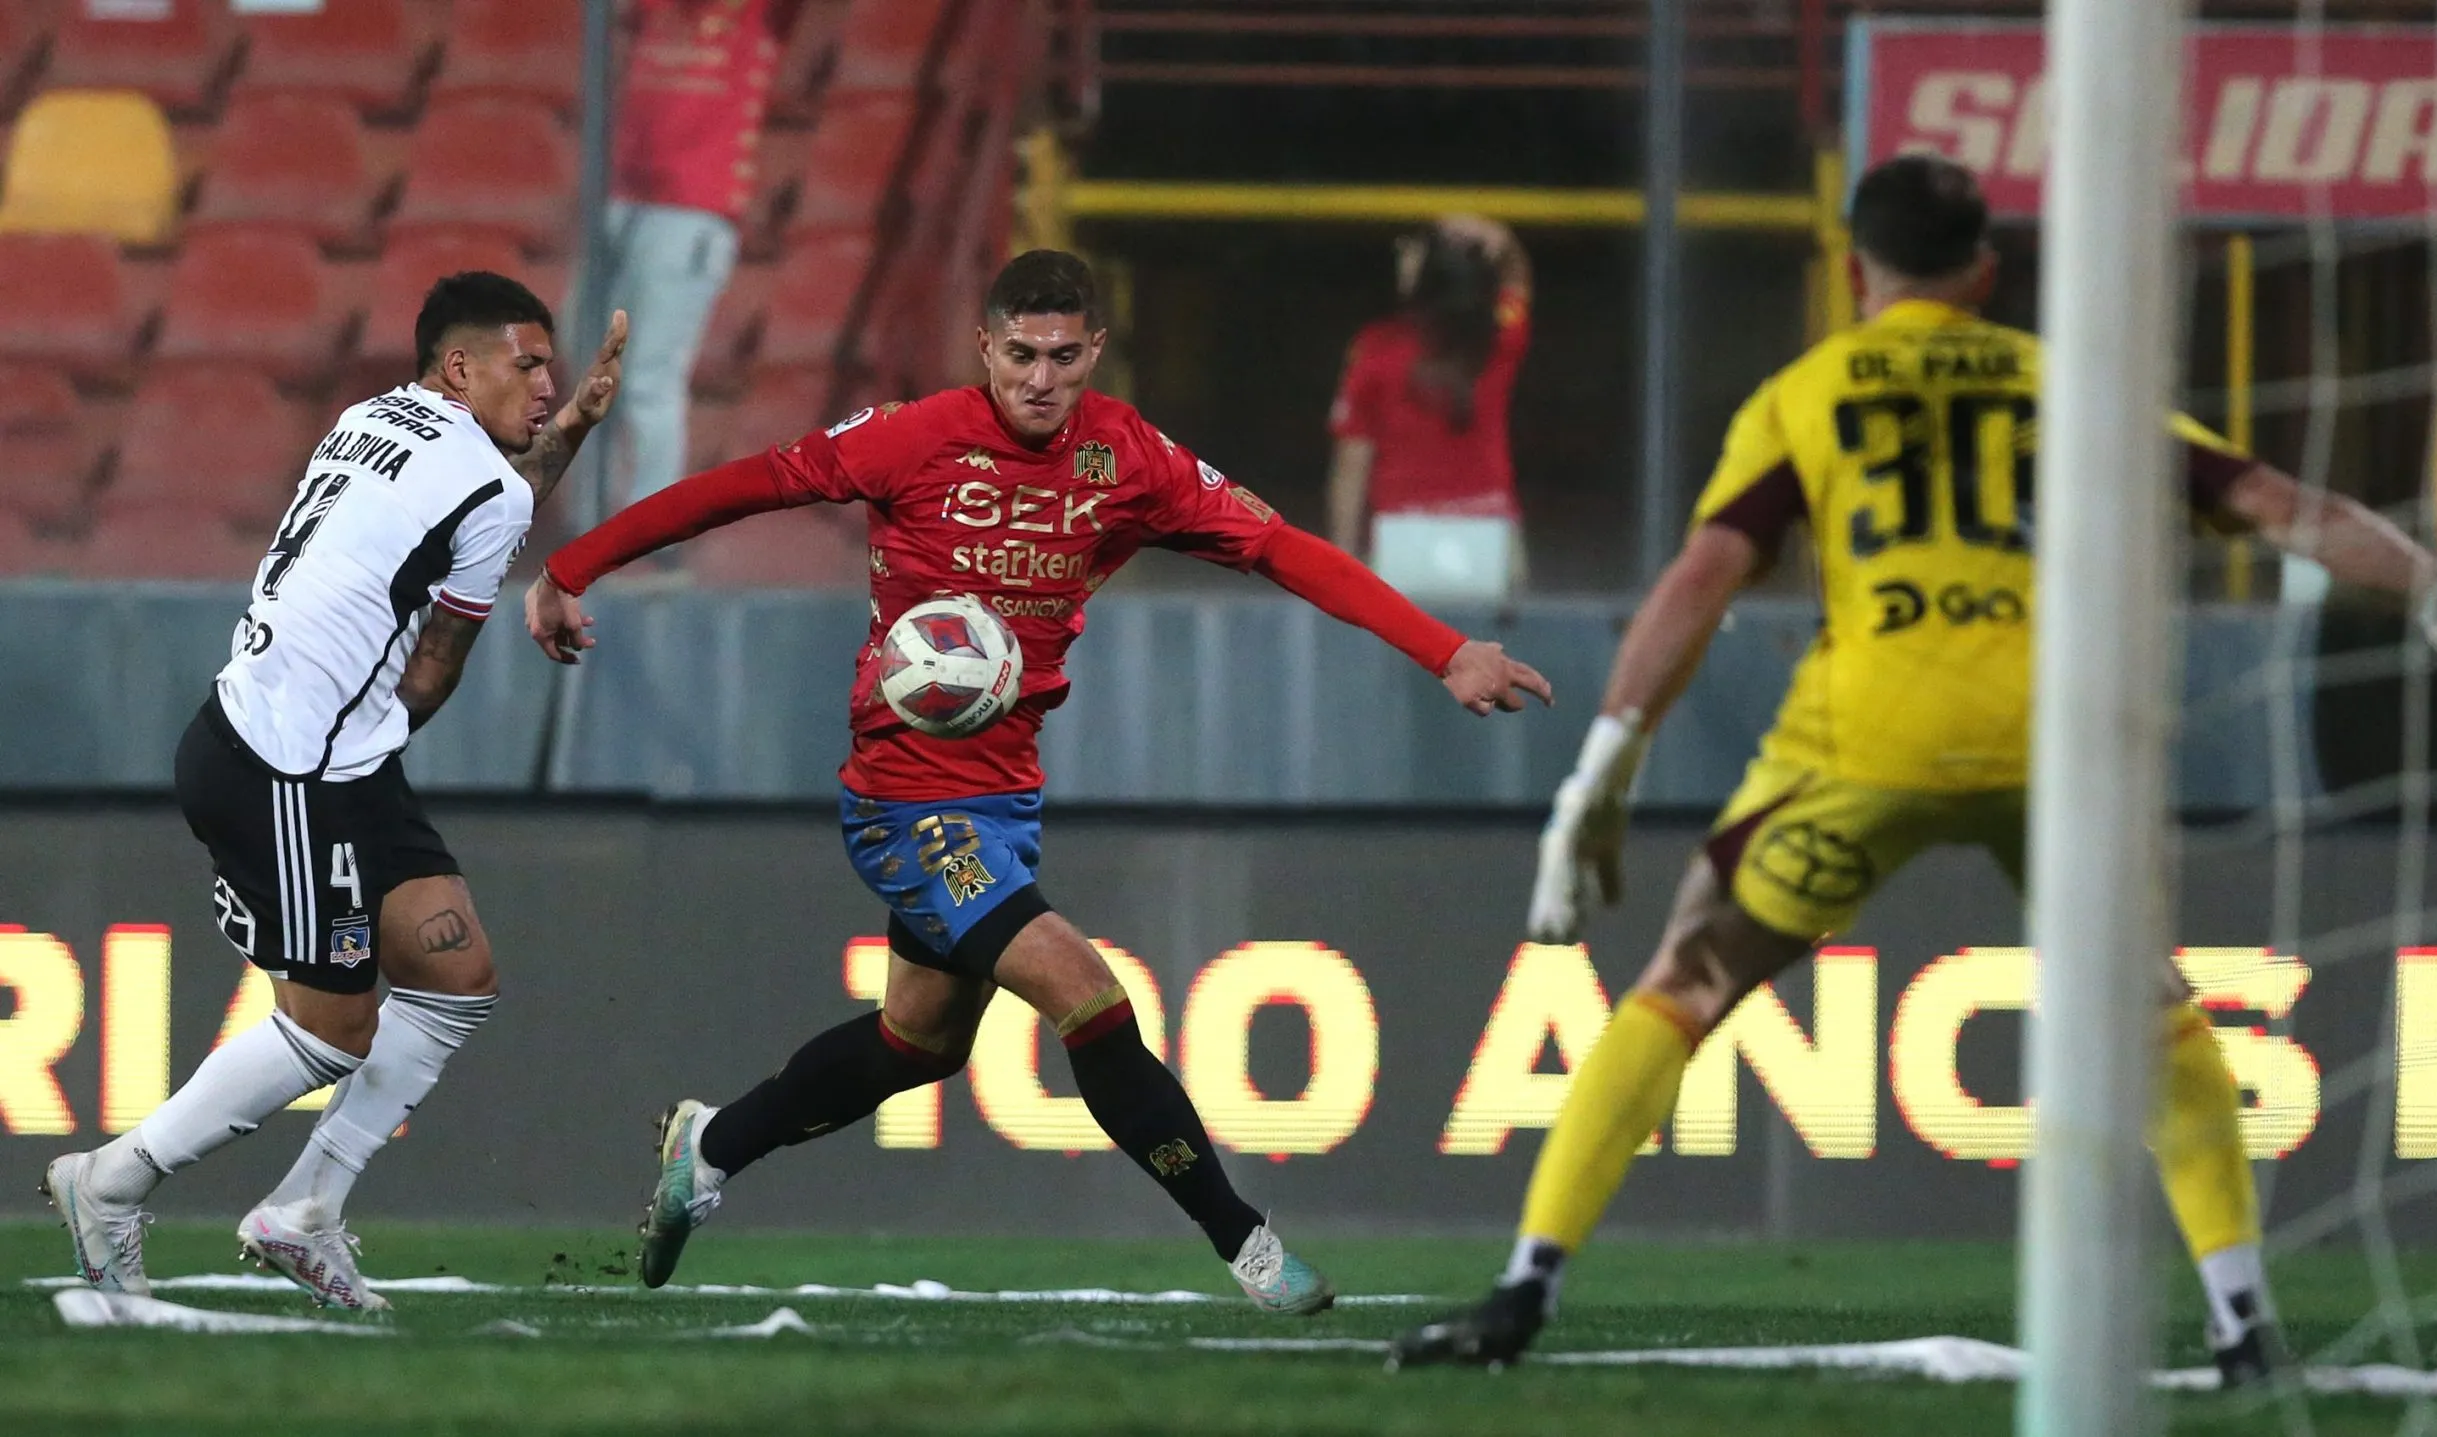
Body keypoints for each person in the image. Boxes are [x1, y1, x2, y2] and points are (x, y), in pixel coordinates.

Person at [1389, 154, 2437, 1379]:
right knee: (2150, 1011)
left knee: (1686, 977)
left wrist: (1599, 776)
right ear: (1986, 272)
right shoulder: (2073, 386)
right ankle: (2242, 1320)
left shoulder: (1806, 392)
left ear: (1854, 273)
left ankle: (1523, 1293)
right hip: (2054, 738)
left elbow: (1701, 578)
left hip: (1867, 733)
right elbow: (2279, 504)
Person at [525, 249, 1551, 1313]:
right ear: (985, 348)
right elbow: (735, 490)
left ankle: (711, 1146)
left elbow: (1284, 550)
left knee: (917, 1042)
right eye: (1020, 353)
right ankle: (1248, 1248)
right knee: (1088, 996)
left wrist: (1442, 650)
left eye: (1064, 356)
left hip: (1001, 800)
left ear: (1094, 353)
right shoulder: (910, 438)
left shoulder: (1128, 458)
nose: (1040, 377)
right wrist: (572, 565)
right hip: (901, 797)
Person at [43, 275, 628, 1311]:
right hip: (291, 770)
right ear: (461, 368)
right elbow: (439, 664)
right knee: (328, 1030)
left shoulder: (373, 415)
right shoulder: (489, 492)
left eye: (550, 368)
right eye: (528, 365)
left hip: (306, 746)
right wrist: (367, 748)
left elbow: (482, 497)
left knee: (457, 976)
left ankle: (302, 1210)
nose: (547, 384)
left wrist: (571, 429)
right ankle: (111, 1180)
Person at [602, 0, 799, 507]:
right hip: (619, 199)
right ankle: (596, 511)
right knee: (592, 371)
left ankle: (652, 525)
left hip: (691, 211)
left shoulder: (756, 12)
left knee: (649, 379)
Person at [1327, 214, 1531, 603]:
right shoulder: (1498, 339)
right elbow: (1518, 283)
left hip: (1400, 540)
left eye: (1413, 250)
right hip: (1491, 533)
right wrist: (1502, 239)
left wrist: (1342, 559)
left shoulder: (1375, 348)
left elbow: (1352, 463)